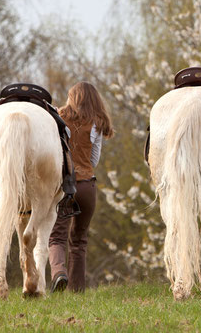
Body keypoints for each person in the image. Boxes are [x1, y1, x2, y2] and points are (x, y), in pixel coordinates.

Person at [49, 81, 114, 293]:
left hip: (64, 186)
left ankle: (59, 272)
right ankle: (76, 291)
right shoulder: (97, 122)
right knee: (79, 240)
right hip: (87, 187)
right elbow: (94, 160)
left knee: (57, 235)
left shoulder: (58, 117)